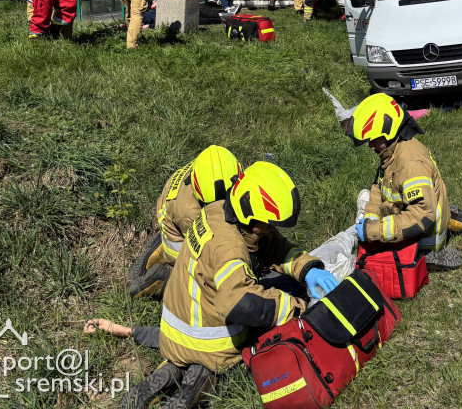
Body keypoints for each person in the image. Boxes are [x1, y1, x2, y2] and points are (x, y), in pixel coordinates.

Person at [124, 162, 337, 409]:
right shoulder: (231, 248)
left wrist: (307, 268)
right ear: (249, 211)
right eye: (268, 223)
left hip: (174, 328)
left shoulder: (216, 210)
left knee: (185, 353)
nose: (271, 229)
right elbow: (242, 303)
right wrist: (296, 307)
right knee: (255, 334)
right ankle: (207, 377)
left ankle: (173, 369)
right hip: (210, 342)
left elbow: (275, 247)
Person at [346, 93, 462, 271]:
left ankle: (431, 255)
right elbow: (379, 187)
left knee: (389, 264)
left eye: (373, 140)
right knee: (424, 205)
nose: (370, 146)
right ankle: (444, 210)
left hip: (422, 237)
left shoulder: (410, 164)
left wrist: (374, 231)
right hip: (410, 214)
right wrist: (371, 216)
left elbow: (421, 216)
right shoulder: (392, 151)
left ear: (388, 129)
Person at [128, 145, 243, 298]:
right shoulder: (189, 214)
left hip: (172, 210)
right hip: (176, 226)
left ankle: (162, 246)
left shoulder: (214, 166)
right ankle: (165, 278)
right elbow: (211, 249)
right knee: (206, 282)